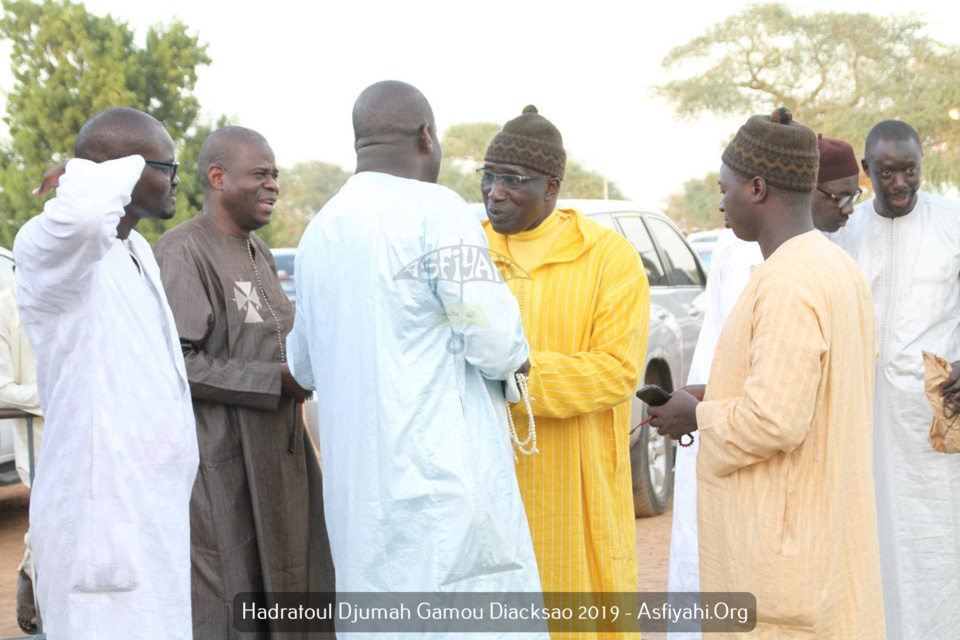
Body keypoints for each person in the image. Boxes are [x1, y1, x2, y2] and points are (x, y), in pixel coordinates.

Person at [286, 81, 546, 628]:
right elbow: (496, 343)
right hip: (443, 492)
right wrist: (516, 357)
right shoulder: (438, 211)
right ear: (427, 137)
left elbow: (302, 365)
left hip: (362, 507)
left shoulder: (319, 233)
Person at [649, 108, 885, 637]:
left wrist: (698, 415)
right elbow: (809, 392)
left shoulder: (788, 282)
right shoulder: (832, 267)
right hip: (825, 538)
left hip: (785, 560)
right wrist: (713, 392)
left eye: (723, 187)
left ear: (756, 188)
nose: (719, 202)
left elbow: (775, 421)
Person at [13, 107, 199, 639]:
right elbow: (86, 217)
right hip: (103, 527)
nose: (176, 179)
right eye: (166, 166)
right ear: (124, 170)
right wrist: (85, 175)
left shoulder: (135, 249)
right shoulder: (50, 249)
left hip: (153, 515)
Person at [154, 126, 335, 639]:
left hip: (282, 455)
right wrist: (274, 381)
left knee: (301, 582)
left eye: (275, 175)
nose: (273, 185)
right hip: (224, 462)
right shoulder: (183, 252)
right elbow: (179, 363)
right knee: (232, 595)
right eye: (260, 174)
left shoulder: (256, 250)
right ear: (217, 178)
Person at [480, 106, 648, 633]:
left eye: (513, 180)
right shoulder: (468, 253)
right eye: (488, 177)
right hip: (484, 479)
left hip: (574, 488)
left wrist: (514, 373)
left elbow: (618, 370)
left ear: (551, 188)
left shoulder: (609, 259)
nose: (495, 192)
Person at [828, 119, 960, 639]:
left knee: (936, 539)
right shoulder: (845, 231)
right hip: (860, 417)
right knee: (868, 537)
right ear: (867, 172)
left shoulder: (952, 222)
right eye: (887, 172)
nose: (900, 183)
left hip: (934, 416)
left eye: (910, 170)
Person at [0, 275, 44, 635]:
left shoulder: (74, 293)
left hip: (96, 435)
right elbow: (2, 390)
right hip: (41, 445)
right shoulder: (6, 306)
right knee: (51, 529)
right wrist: (56, 394)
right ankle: (31, 575)